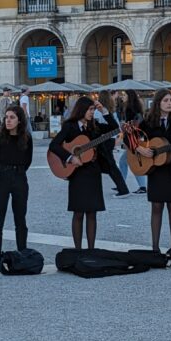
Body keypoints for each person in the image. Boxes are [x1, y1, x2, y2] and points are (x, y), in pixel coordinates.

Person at [49, 95, 116, 249]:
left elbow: (114, 129)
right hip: (77, 173)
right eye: (90, 109)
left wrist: (104, 111)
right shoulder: (70, 126)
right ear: (82, 110)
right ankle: (78, 249)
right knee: (78, 212)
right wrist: (70, 158)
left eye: (93, 109)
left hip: (93, 171)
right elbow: (54, 145)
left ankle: (91, 249)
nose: (92, 112)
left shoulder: (95, 126)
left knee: (92, 212)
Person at [138, 89, 171, 252]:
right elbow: (132, 139)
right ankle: (155, 248)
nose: (169, 103)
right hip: (156, 170)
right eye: (166, 100)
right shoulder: (147, 122)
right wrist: (140, 149)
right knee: (156, 206)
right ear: (158, 103)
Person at [0, 104, 34, 269]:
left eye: (12, 117)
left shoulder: (26, 138)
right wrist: (5, 170)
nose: (8, 120)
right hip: (2, 176)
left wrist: (17, 171)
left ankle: (22, 251)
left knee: (20, 218)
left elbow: (28, 160)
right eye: (6, 117)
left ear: (19, 120)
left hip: (20, 177)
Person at [94, 90, 129, 197]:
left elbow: (98, 128)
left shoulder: (97, 112)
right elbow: (116, 126)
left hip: (102, 141)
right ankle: (122, 188)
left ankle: (123, 189)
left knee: (110, 166)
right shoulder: (110, 110)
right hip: (109, 139)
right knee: (108, 165)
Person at [118, 89, 147, 194]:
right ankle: (123, 184)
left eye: (124, 95)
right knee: (130, 162)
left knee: (125, 162)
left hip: (133, 140)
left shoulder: (130, 109)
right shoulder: (136, 108)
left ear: (129, 96)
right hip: (136, 139)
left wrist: (124, 127)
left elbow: (131, 126)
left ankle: (122, 184)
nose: (122, 96)